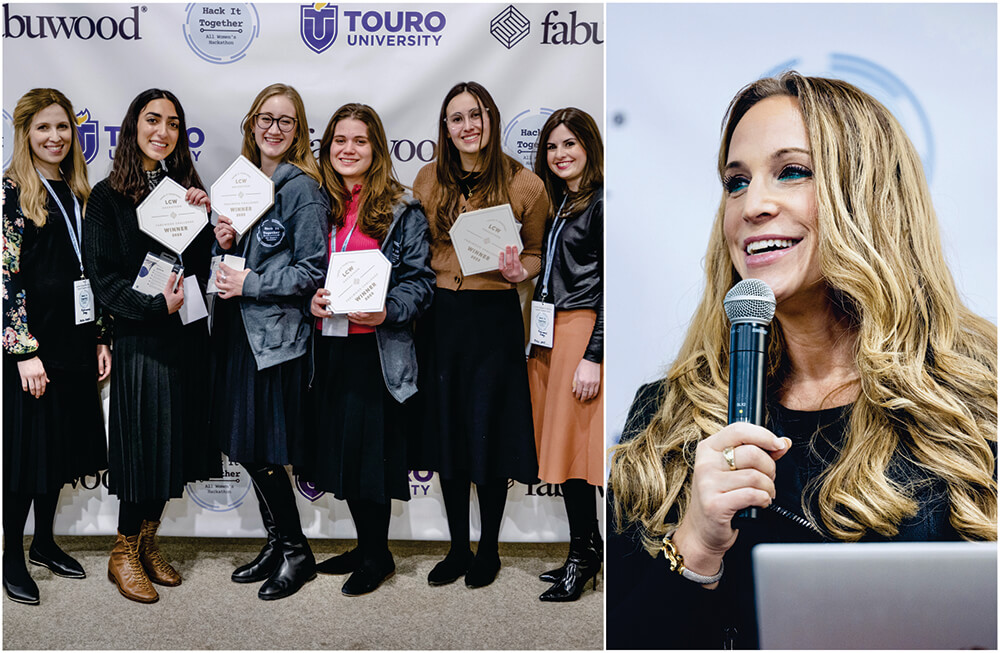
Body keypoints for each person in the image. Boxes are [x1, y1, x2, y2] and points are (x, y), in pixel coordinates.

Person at [606, 72, 998, 649]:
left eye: (792, 171)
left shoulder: (980, 400)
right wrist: (696, 545)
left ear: (868, 195)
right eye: (735, 182)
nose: (752, 205)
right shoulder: (668, 415)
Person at [409, 81, 549, 588]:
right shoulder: (428, 178)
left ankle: (487, 548)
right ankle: (456, 549)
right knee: (448, 431)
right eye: (456, 118)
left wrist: (520, 273)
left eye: (475, 115)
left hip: (493, 317)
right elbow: (413, 245)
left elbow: (536, 255)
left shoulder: (524, 184)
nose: (467, 126)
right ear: (445, 128)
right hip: (442, 316)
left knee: (487, 432)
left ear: (491, 118)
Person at [85, 88, 220, 604]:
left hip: (187, 334)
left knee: (176, 446)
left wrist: (204, 218)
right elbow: (103, 279)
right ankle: (122, 551)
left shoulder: (186, 189)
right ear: (132, 126)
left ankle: (146, 542)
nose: (162, 131)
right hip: (142, 337)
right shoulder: (107, 197)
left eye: (172, 123)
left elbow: (203, 270)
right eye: (152, 120)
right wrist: (149, 310)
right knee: (144, 449)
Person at [301, 103, 434, 596]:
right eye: (340, 140)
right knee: (343, 453)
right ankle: (365, 545)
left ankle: (378, 555)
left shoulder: (401, 208)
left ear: (376, 148)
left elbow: (420, 283)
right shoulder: (318, 204)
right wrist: (308, 297)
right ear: (327, 146)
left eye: (359, 141)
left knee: (372, 456)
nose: (348, 150)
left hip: (377, 353)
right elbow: (304, 270)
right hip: (329, 348)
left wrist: (387, 310)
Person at [210, 83, 328, 601]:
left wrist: (251, 283)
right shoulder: (240, 181)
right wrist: (229, 244)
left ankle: (298, 552)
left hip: (276, 338)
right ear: (251, 124)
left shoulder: (301, 186)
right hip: (238, 331)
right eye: (266, 118)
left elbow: (312, 271)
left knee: (262, 451)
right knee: (246, 445)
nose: (274, 128)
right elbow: (260, 254)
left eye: (285, 120)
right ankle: (277, 543)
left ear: (298, 130)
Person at [1, 88, 109, 605]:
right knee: (25, 460)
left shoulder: (76, 190)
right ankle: (11, 558)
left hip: (75, 344)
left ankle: (44, 542)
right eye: (43, 128)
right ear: (25, 133)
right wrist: (23, 351)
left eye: (62, 127)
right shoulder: (11, 192)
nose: (55, 137)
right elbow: (5, 279)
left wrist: (100, 337)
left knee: (58, 453)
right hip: (33, 352)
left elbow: (90, 272)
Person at [527, 108, 604, 602]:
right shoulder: (560, 204)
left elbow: (615, 285)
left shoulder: (601, 204)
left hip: (581, 332)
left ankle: (585, 558)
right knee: (564, 452)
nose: (560, 154)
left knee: (580, 455)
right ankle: (584, 547)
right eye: (552, 146)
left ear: (589, 148)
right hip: (549, 334)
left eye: (570, 144)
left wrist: (594, 355)